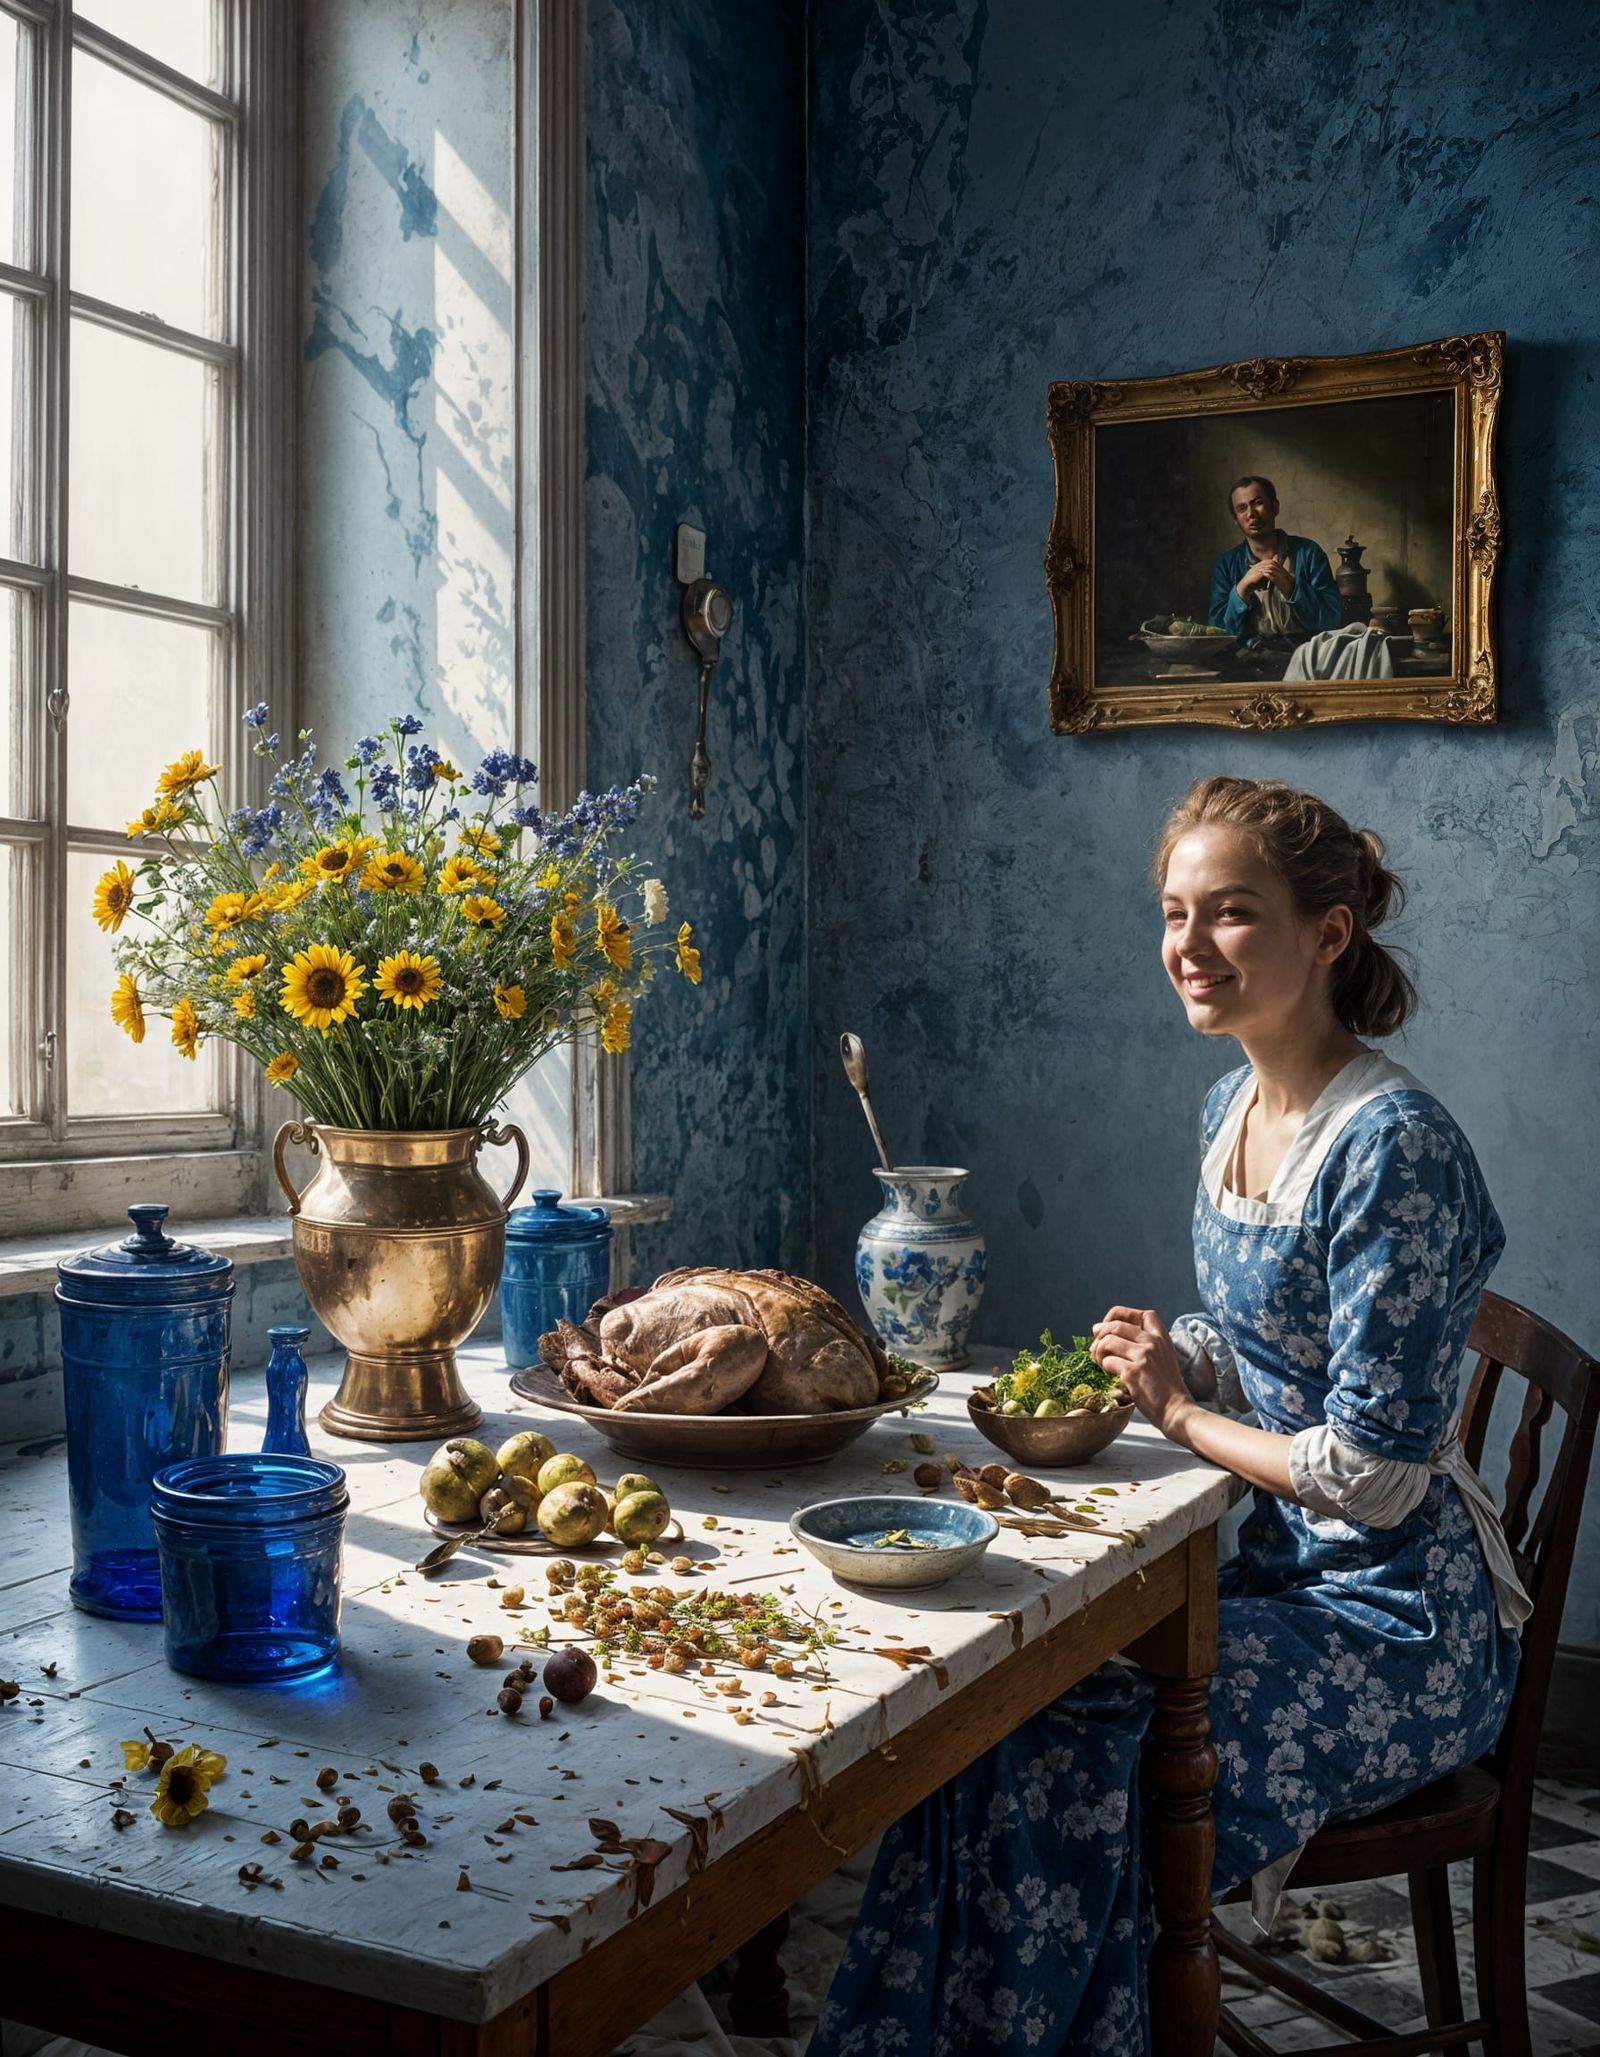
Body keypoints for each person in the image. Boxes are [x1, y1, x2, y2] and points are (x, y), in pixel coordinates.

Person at [810, 776, 1529, 2057]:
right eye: (1172, 912)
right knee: (983, 1701)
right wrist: (1160, 1350)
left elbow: (1374, 1473)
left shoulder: (1394, 1147)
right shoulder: (1230, 1105)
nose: (1188, 947)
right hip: (1271, 1562)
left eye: (1231, 915)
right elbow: (1274, 1345)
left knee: (1066, 1743)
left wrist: (1182, 1412)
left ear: (1328, 933)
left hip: (1395, 1621)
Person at [1209, 476, 1343, 647]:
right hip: (1251, 661)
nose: (1251, 514)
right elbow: (1217, 634)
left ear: (1275, 507)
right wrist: (1241, 590)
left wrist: (1291, 587)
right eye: (1242, 508)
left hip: (1306, 654)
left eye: (1258, 502)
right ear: (1236, 519)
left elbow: (1332, 621)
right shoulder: (1225, 565)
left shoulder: (1309, 553)